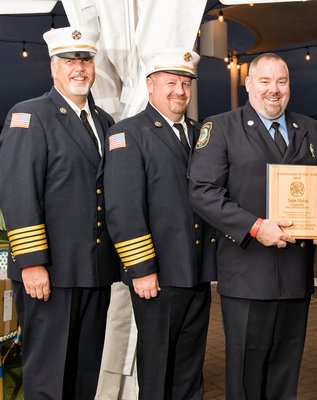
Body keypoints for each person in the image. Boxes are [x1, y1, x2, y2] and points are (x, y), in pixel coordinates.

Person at [188, 53, 317, 400]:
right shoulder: (221, 127)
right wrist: (254, 226)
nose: (274, 90)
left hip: (295, 273)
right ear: (249, 85)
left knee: (286, 368)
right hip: (246, 273)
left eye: (282, 82)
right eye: (265, 81)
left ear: (290, 86)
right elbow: (202, 192)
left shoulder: (311, 128)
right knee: (245, 373)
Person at [0, 27, 119, 399]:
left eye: (85, 60)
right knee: (49, 378)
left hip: (94, 272)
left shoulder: (105, 122)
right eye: (69, 61)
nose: (79, 68)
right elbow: (19, 193)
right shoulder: (30, 116)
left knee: (85, 375)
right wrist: (33, 262)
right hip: (49, 273)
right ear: (54, 67)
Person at [103, 48, 216, 399]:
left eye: (185, 83)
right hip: (159, 275)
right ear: (150, 86)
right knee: (157, 367)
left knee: (189, 365)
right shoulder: (128, 134)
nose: (179, 91)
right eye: (171, 83)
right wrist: (140, 269)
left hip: (195, 272)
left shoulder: (199, 132)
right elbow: (123, 208)